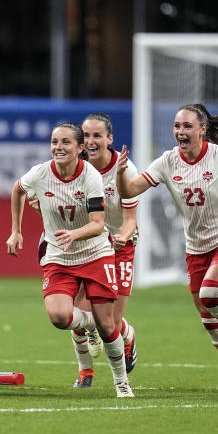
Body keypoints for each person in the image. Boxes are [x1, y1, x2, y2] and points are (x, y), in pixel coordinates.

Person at [115, 103, 218, 394]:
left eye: (187, 126)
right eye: (177, 126)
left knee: (211, 293)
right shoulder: (167, 161)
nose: (180, 132)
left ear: (202, 129)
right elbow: (129, 191)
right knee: (207, 316)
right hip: (196, 248)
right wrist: (121, 173)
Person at [7, 122, 133, 398]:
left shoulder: (90, 176)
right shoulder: (40, 173)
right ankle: (90, 327)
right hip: (59, 256)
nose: (58, 147)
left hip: (95, 253)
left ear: (79, 148)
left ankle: (121, 383)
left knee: (108, 325)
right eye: (54, 142)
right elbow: (17, 189)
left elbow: (99, 224)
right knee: (59, 316)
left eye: (65, 142)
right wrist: (16, 231)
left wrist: (74, 234)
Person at [60, 113, 139, 389]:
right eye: (86, 136)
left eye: (97, 136)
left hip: (120, 247)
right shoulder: (74, 168)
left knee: (110, 325)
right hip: (88, 246)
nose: (91, 141)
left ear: (109, 139)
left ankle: (126, 335)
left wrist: (122, 237)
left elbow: (131, 220)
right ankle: (85, 371)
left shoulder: (126, 170)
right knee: (74, 313)